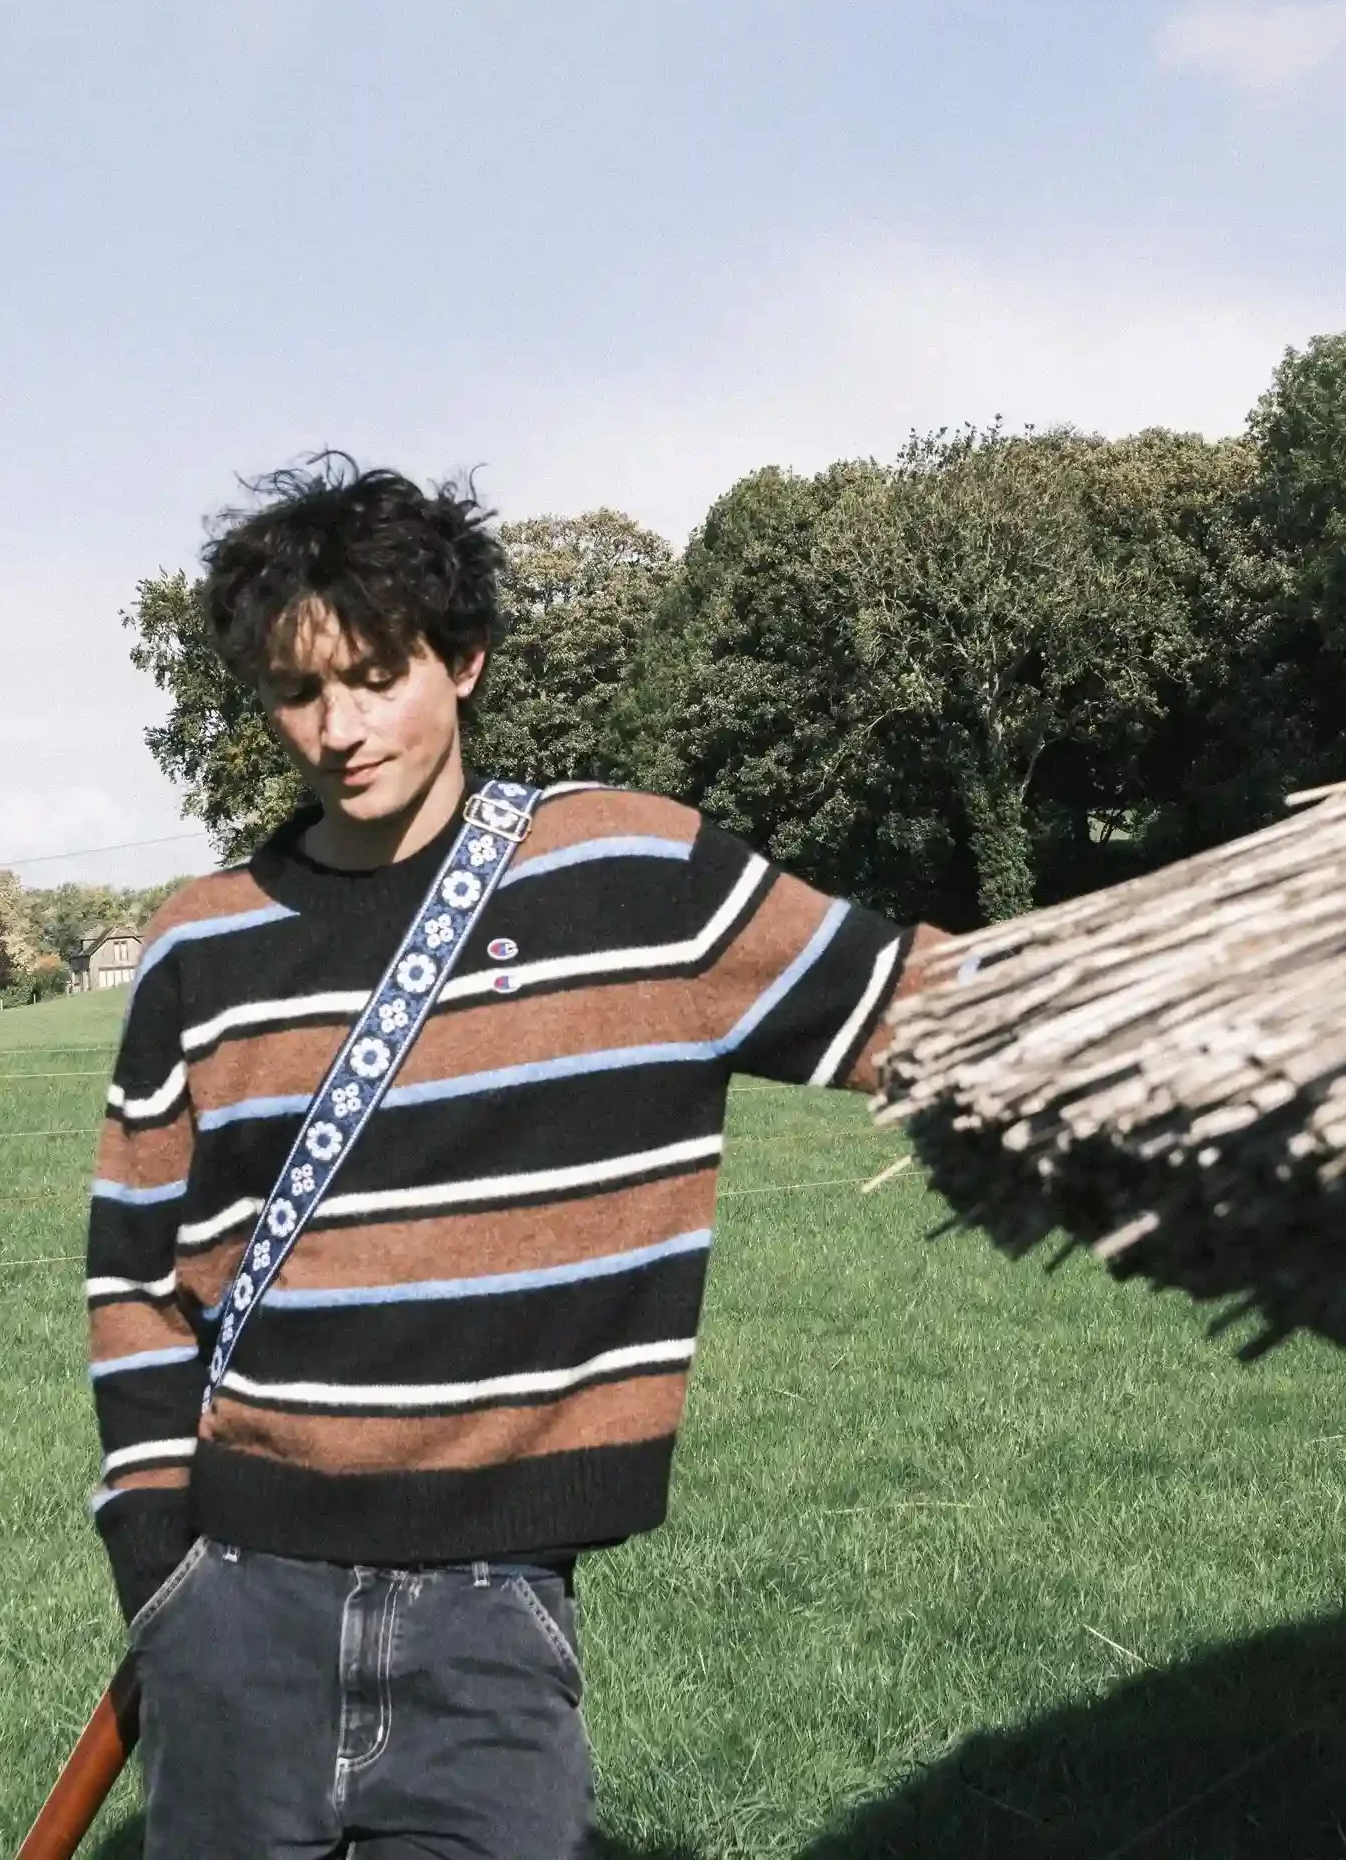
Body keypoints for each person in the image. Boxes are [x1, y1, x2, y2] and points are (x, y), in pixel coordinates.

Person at [83, 457, 943, 1857]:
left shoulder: (634, 876)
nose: (339, 729)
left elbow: (915, 1001)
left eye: (376, 676)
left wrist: (1227, 976)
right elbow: (131, 1269)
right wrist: (159, 1560)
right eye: (300, 693)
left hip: (490, 1609)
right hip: (239, 1598)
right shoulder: (201, 940)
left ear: (464, 659)